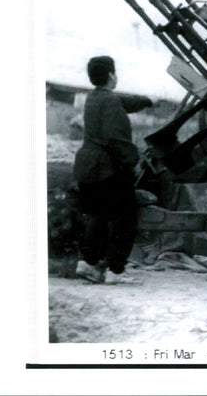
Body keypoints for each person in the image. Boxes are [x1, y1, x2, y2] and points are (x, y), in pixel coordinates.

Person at [72, 56, 141, 285]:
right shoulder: (110, 101)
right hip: (106, 167)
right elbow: (115, 138)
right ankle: (116, 271)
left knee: (98, 215)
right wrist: (133, 161)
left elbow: (119, 102)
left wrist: (147, 102)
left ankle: (89, 263)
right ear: (112, 75)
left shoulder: (93, 97)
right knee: (126, 215)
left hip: (88, 166)